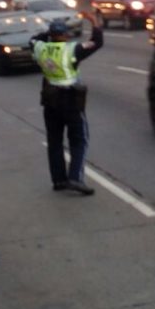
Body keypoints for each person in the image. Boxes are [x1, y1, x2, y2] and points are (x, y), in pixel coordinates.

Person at [30, 10, 104, 195]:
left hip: (50, 99)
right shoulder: (72, 49)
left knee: (54, 141)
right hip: (70, 99)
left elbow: (32, 39)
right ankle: (75, 178)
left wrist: (48, 32)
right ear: (64, 35)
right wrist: (94, 21)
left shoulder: (40, 48)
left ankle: (59, 180)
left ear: (51, 35)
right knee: (79, 140)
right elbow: (97, 42)